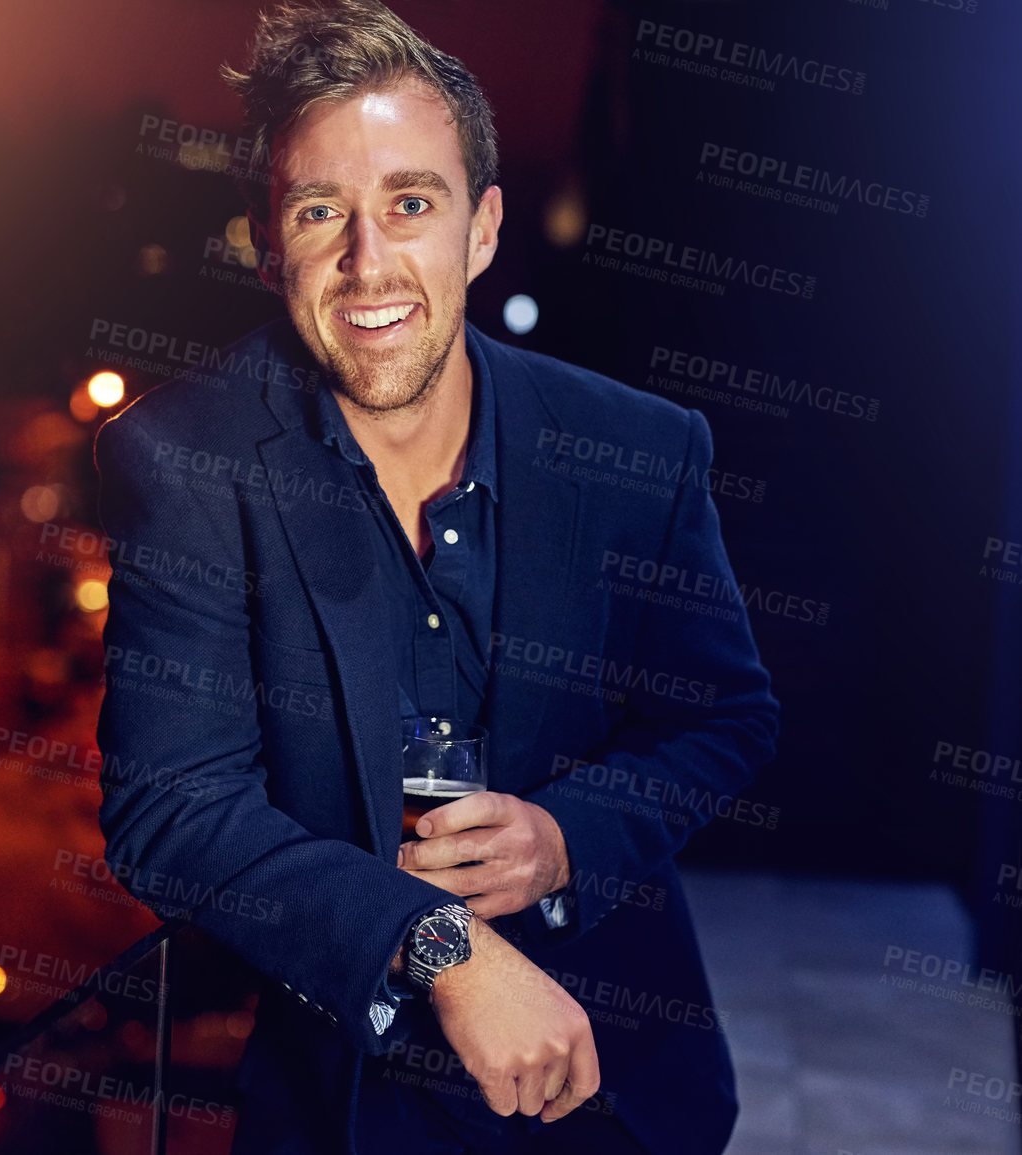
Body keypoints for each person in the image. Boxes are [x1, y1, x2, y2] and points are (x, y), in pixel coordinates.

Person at [93, 2, 780, 1150]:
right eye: (323, 213)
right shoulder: (184, 459)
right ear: (271, 248)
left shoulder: (643, 452)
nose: (369, 262)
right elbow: (172, 809)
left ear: (481, 228)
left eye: (411, 203)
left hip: (623, 1089)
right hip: (349, 1109)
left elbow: (724, 718)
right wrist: (442, 950)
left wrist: (569, 839)